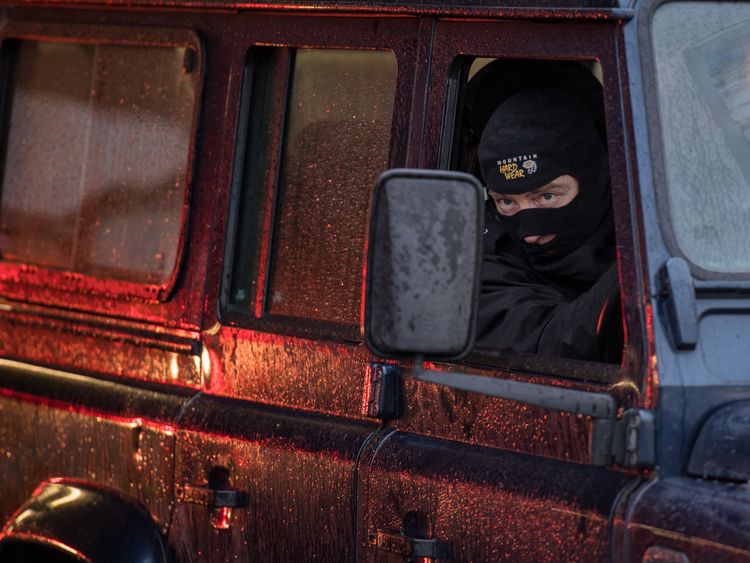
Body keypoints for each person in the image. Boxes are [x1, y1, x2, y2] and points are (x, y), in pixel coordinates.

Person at [475, 87, 622, 363]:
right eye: (507, 202)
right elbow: (546, 343)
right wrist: (641, 267)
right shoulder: (482, 260)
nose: (530, 235)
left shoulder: (643, 222)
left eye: (547, 196)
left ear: (594, 182)